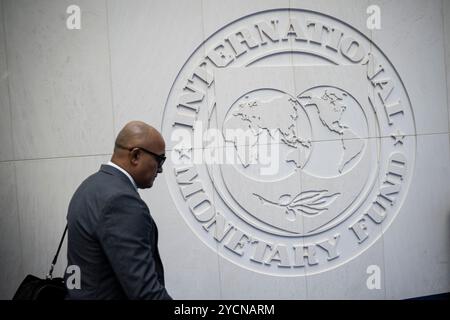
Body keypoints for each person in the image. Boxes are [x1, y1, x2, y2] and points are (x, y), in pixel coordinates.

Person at [64, 121, 172, 300]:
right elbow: (145, 292)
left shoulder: (88, 186)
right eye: (159, 160)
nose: (160, 170)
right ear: (136, 155)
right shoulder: (122, 202)